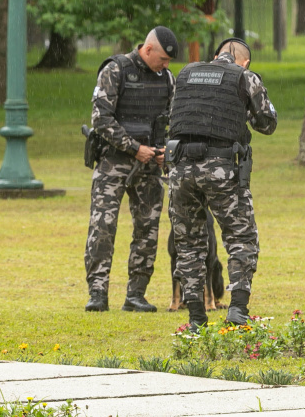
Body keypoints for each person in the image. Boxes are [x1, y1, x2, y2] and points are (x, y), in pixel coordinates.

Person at [167, 38, 277, 330]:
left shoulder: (186, 73)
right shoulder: (244, 77)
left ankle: (195, 317)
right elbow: (267, 123)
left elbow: (173, 115)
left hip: (180, 168)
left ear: (215, 55)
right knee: (241, 237)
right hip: (220, 167)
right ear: (245, 62)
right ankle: (237, 310)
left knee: (188, 243)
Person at [84, 27, 179, 313]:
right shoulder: (115, 70)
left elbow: (174, 120)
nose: (166, 65)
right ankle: (97, 293)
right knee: (103, 226)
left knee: (147, 228)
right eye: (162, 59)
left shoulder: (167, 79)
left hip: (149, 164)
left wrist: (165, 153)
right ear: (148, 49)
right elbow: (101, 119)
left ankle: (136, 294)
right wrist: (134, 147)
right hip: (113, 161)